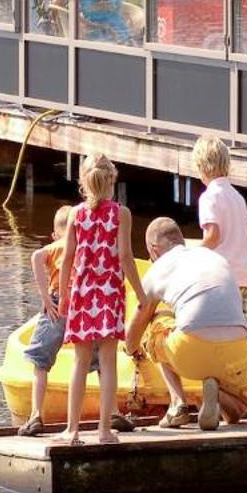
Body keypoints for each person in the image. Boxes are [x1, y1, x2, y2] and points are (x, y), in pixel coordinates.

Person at [126, 218, 247, 430]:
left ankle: (178, 404)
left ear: (154, 250)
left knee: (156, 319)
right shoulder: (212, 256)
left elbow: (136, 326)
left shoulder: (159, 268)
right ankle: (216, 393)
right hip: (237, 344)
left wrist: (131, 350)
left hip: (192, 347)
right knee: (238, 408)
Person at [18, 206, 132, 436]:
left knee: (41, 361)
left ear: (55, 234)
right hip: (84, 302)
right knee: (102, 360)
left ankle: (35, 414)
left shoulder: (54, 246)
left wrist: (45, 297)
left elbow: (36, 257)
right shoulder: (85, 243)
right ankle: (113, 412)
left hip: (58, 303)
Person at [57, 154, 141, 446]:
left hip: (82, 292)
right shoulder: (121, 214)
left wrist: (65, 294)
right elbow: (126, 258)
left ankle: (72, 430)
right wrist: (141, 295)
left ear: (83, 182)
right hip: (109, 293)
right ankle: (104, 430)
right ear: (112, 180)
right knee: (108, 363)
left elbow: (67, 258)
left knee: (79, 362)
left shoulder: (76, 214)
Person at [191, 134, 247, 320]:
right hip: (243, 277)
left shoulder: (209, 197)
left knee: (218, 325)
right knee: (245, 329)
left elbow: (213, 236)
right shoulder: (237, 197)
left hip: (221, 278)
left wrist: (192, 253)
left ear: (201, 167)